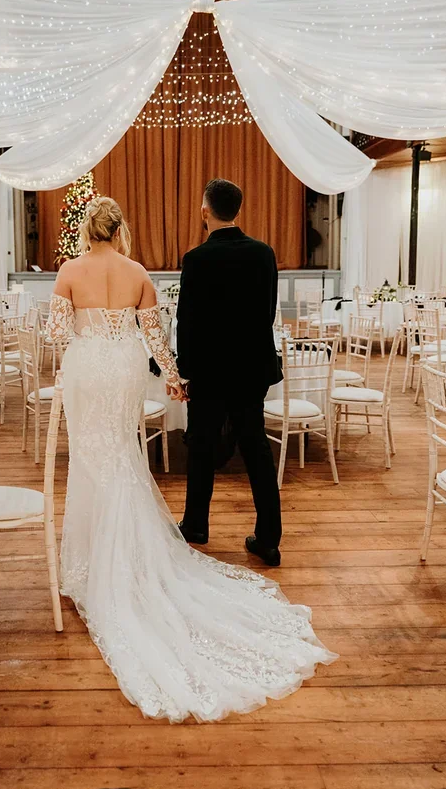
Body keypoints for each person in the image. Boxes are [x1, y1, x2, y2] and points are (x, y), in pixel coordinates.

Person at [47, 196, 335, 723]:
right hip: (129, 371)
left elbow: (57, 335)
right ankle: (148, 548)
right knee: (125, 456)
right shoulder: (138, 273)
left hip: (88, 372)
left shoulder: (69, 269)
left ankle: (95, 555)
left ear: (88, 229)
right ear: (122, 228)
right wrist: (174, 376)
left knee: (93, 460)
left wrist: (90, 338)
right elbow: (156, 336)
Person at [177, 178, 283, 565]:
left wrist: (184, 371)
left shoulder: (196, 259)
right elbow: (268, 313)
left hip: (208, 371)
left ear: (205, 212)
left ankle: (196, 525)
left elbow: (185, 321)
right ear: (238, 210)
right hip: (252, 369)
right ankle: (269, 539)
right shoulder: (264, 254)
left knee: (201, 447)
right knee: (256, 450)